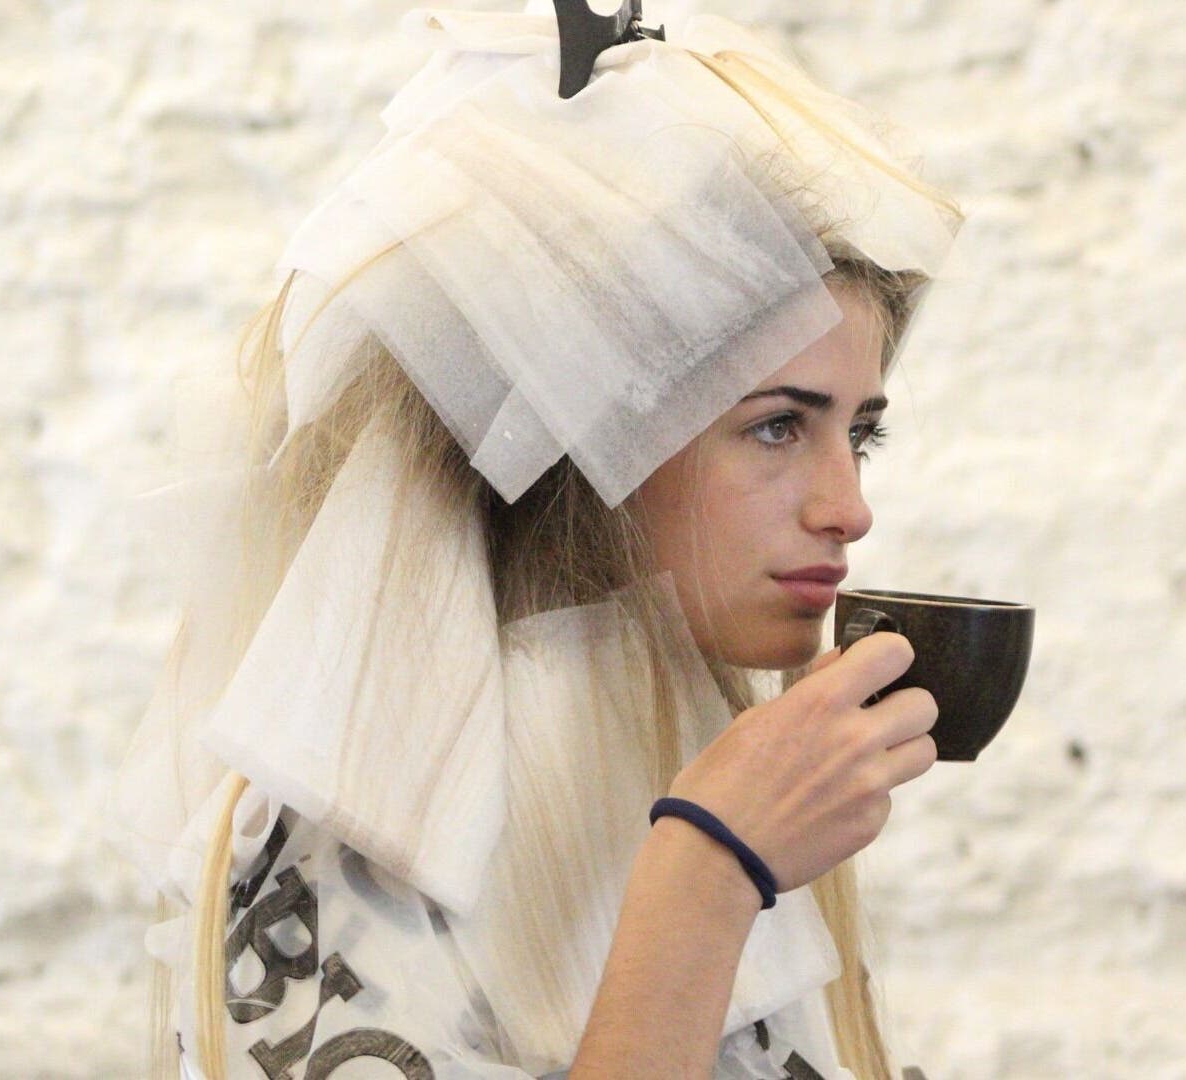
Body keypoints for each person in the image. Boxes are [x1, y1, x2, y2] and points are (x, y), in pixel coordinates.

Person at [109, 4, 964, 1077]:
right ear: (586, 438)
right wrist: (704, 876)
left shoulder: (687, 751)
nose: (848, 507)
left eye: (860, 434)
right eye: (778, 426)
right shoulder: (357, 822)